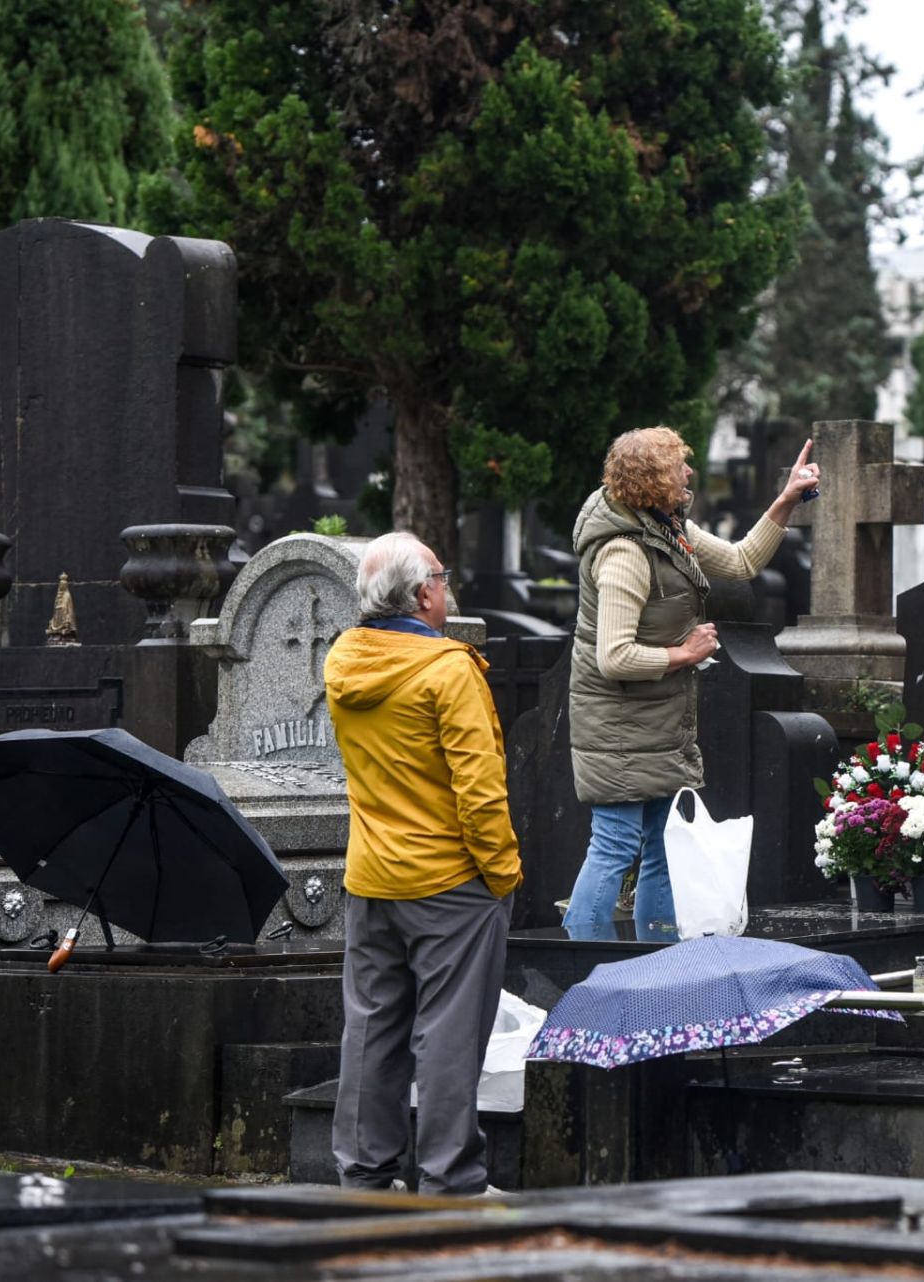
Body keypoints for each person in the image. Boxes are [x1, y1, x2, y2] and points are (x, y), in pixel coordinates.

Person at [563, 426, 821, 941]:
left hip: (656, 721)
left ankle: (658, 965)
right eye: (678, 465)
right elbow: (614, 657)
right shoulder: (625, 553)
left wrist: (787, 499)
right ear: (653, 480)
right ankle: (581, 967)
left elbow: (742, 562)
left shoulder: (665, 528)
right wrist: (685, 653)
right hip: (618, 727)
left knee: (665, 846)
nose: (688, 472)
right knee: (615, 845)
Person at [323, 532, 522, 1196]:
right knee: (449, 1036)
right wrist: (502, 875)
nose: (446, 583)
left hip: (370, 876)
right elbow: (480, 791)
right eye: (441, 573)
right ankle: (451, 1182)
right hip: (449, 881)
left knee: (371, 1030)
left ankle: (364, 1178)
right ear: (422, 593)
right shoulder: (448, 670)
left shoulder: (344, 659)